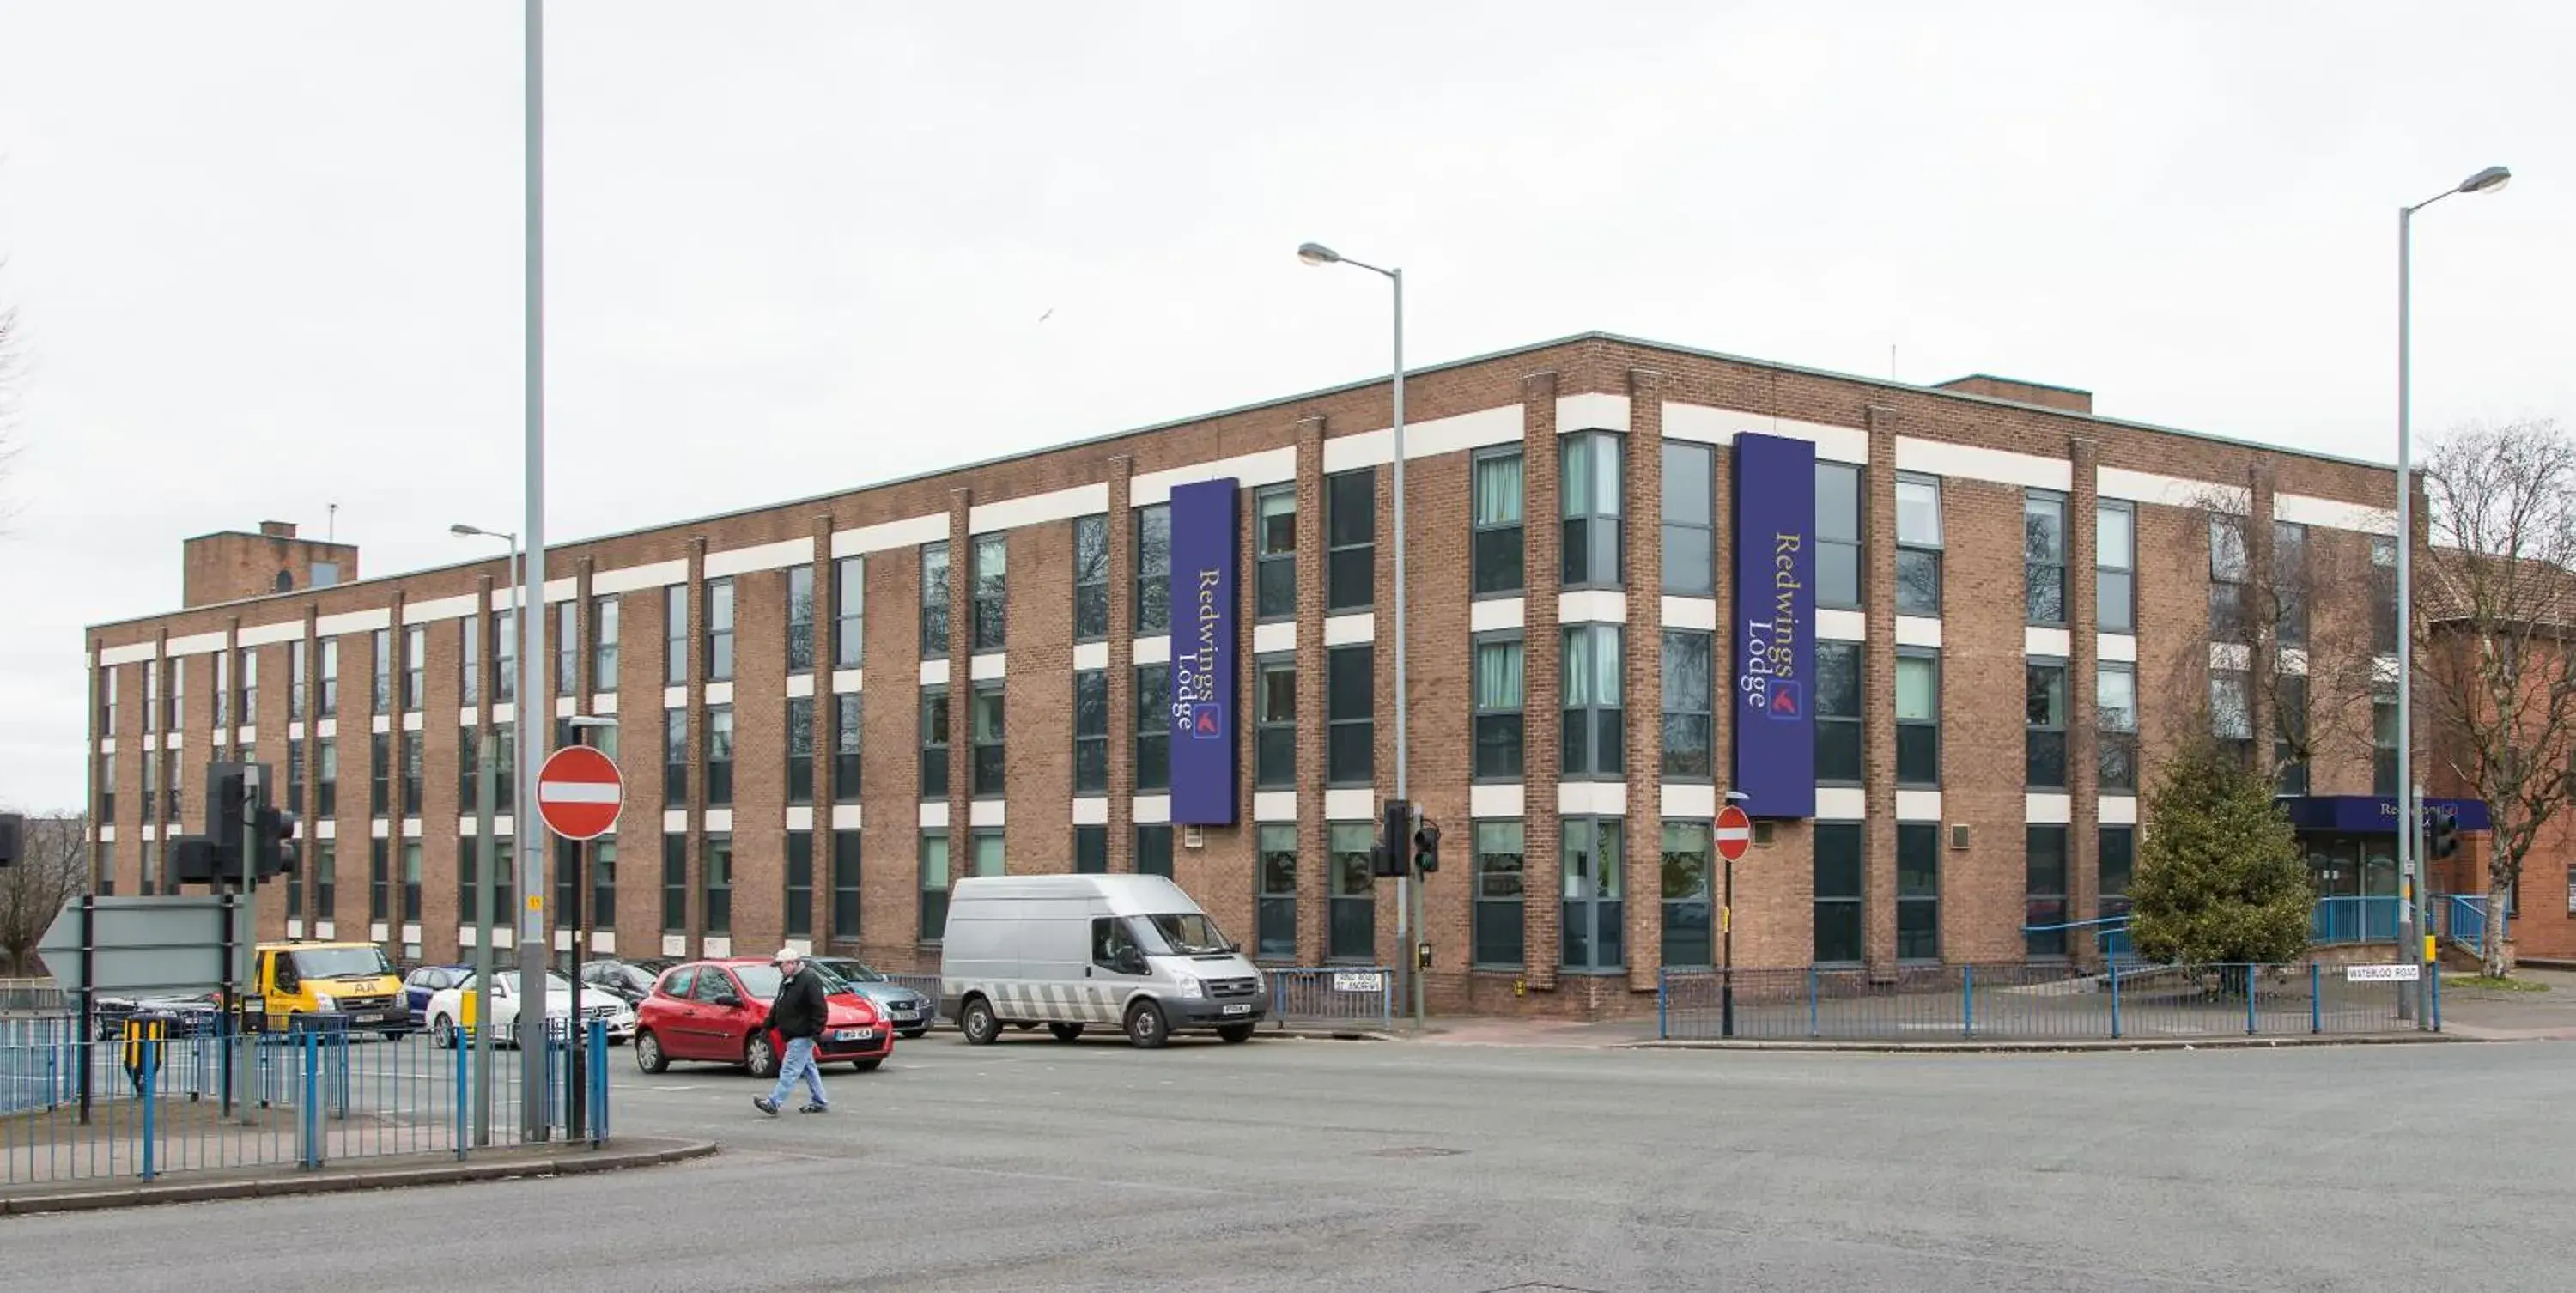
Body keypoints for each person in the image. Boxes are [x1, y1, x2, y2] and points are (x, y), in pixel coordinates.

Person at [753, 948, 831, 1115]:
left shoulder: (809, 979)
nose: (779, 969)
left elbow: (819, 1008)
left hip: (802, 1033)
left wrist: (817, 1031)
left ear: (792, 963)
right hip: (794, 1033)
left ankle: (774, 1102)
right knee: (808, 1068)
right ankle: (820, 1100)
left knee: (789, 1069)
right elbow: (778, 1005)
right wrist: (767, 1026)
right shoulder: (788, 980)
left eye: (781, 965)